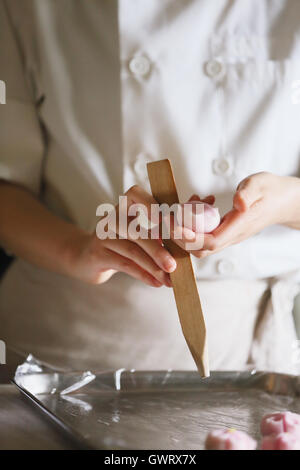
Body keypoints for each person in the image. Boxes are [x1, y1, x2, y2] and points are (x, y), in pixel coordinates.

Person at [0, 0, 300, 373]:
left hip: (250, 346)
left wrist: (289, 203)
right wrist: (79, 249)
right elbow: (5, 184)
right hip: (64, 340)